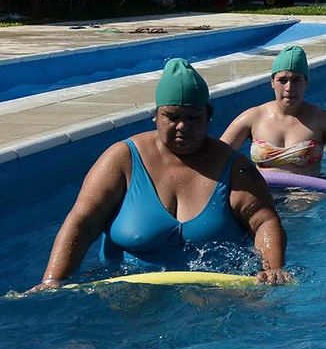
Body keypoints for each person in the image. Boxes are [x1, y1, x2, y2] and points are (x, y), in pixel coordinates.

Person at [33, 59, 290, 287]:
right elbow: (82, 222)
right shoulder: (122, 160)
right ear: (155, 116)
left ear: (209, 115)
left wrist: (272, 270)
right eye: (172, 116)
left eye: (193, 117)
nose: (182, 126)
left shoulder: (235, 168)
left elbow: (264, 221)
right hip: (130, 292)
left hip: (213, 294)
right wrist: (53, 279)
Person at [221, 46, 326, 190]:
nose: (289, 87)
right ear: (272, 82)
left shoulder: (323, 120)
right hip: (263, 191)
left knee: (299, 205)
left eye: (296, 80)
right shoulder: (253, 117)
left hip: (306, 193)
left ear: (306, 83)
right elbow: (216, 155)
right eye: (282, 80)